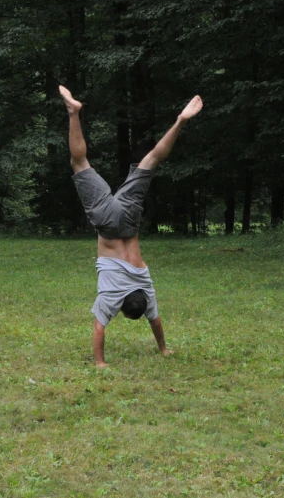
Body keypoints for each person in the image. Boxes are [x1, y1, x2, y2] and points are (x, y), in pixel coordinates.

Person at [59, 85, 203, 367]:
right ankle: (73, 114)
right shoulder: (113, 294)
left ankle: (180, 121)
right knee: (79, 162)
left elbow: (156, 321)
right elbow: (99, 328)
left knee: (151, 160)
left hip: (128, 218)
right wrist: (99, 363)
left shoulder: (145, 286)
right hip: (106, 223)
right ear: (122, 307)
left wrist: (164, 348)